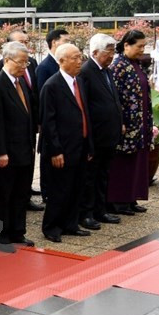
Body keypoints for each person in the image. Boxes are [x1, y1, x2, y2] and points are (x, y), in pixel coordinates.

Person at [39, 44, 94, 243]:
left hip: (80, 144)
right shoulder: (52, 86)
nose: (79, 61)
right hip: (62, 148)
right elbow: (48, 122)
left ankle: (71, 224)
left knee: (76, 187)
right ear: (62, 61)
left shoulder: (79, 81)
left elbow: (85, 113)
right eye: (74, 58)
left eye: (80, 57)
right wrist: (55, 151)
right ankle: (51, 227)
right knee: (59, 189)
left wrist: (89, 145)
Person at [0, 42, 36, 248]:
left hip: (24, 149)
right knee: (3, 195)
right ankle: (1, 234)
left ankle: (17, 231)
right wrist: (0, 152)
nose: (25, 66)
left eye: (27, 62)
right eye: (21, 62)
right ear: (7, 60)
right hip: (7, 152)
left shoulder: (21, 82)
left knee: (20, 193)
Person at [78, 34, 123, 228]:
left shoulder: (107, 70)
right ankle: (87, 213)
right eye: (109, 51)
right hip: (95, 134)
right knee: (90, 177)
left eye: (114, 50)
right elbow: (85, 106)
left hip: (109, 134)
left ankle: (101, 209)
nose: (112, 55)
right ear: (95, 52)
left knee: (103, 174)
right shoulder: (86, 72)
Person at [107, 30, 153, 216]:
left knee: (137, 160)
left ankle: (132, 197)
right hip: (127, 122)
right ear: (126, 45)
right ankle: (120, 201)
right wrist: (121, 121)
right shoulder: (118, 66)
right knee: (123, 162)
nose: (142, 50)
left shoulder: (137, 64)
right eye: (139, 46)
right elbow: (114, 97)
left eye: (144, 46)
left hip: (140, 121)